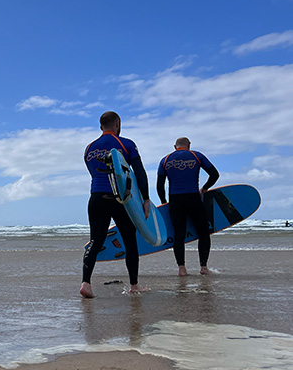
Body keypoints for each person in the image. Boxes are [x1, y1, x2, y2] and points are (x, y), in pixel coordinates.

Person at [81, 111, 151, 298]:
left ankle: (86, 283)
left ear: (100, 125)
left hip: (96, 198)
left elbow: (95, 173)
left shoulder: (89, 148)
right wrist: (145, 199)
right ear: (118, 123)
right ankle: (134, 286)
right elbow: (139, 173)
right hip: (120, 200)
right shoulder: (126, 144)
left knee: (95, 241)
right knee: (130, 241)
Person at [157, 137, 219, 276]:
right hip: (193, 198)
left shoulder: (165, 160)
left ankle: (181, 269)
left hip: (175, 200)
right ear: (189, 145)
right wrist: (204, 189)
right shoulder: (197, 156)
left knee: (179, 234)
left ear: (175, 146)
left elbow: (159, 185)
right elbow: (215, 175)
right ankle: (203, 267)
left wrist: (163, 202)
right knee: (203, 232)